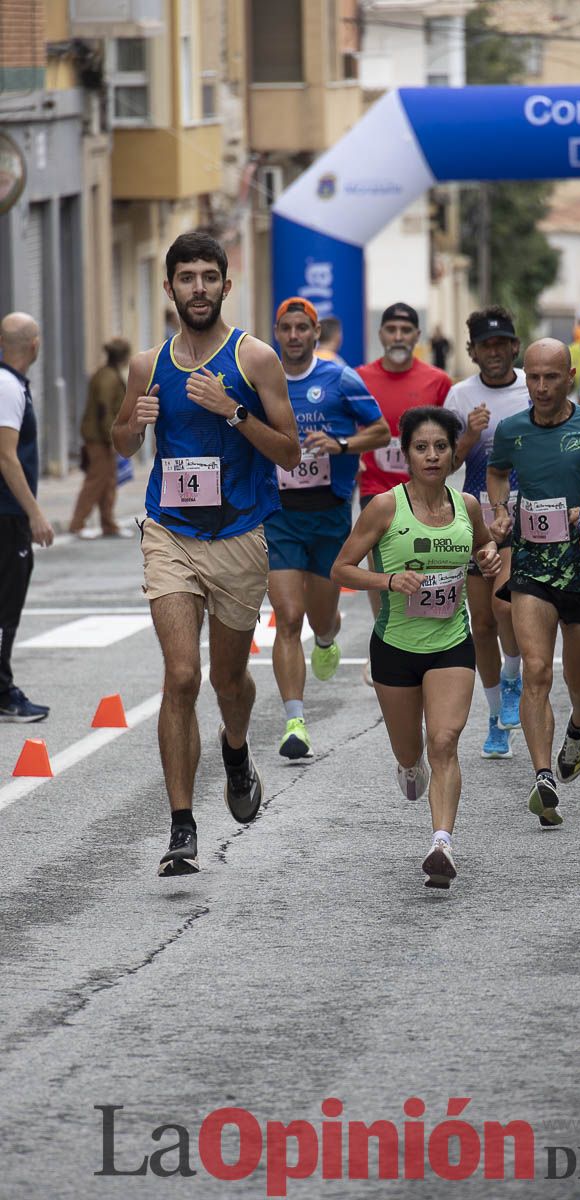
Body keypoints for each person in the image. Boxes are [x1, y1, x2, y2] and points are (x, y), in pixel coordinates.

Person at [112, 231, 301, 878]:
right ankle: (182, 824)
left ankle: (237, 748)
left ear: (225, 285)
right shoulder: (147, 364)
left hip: (240, 535)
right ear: (169, 287)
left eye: (209, 277)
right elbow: (120, 441)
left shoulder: (255, 359)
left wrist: (233, 411)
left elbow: (290, 452)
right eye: (187, 277)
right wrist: (134, 423)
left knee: (227, 680)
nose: (198, 288)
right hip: (170, 532)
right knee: (182, 675)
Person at [331, 406, 501, 890]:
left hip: (451, 643)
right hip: (396, 647)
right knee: (411, 752)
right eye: (421, 447)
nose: (432, 456)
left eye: (441, 447)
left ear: (453, 453)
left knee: (444, 741)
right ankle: (410, 766)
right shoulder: (385, 507)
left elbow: (484, 548)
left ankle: (441, 844)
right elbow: (341, 569)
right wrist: (388, 579)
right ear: (405, 454)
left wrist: (488, 556)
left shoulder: (466, 506)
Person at [486, 339, 580, 827]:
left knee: (577, 678)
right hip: (533, 565)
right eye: (534, 377)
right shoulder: (511, 430)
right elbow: (497, 472)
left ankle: (579, 723)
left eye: (551, 377)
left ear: (570, 377)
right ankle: (543, 778)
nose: (541, 387)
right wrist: (501, 510)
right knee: (537, 670)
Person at [268, 297, 389, 759]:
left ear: (316, 333)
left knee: (319, 618)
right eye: (286, 328)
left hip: (329, 514)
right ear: (277, 334)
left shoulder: (340, 379)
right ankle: (294, 722)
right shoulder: (263, 379)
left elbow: (380, 431)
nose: (294, 335)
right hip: (279, 515)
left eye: (303, 327)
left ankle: (326, 635)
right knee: (287, 616)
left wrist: (340, 444)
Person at [445, 306, 528, 758]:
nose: (493, 352)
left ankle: (513, 679)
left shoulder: (533, 388)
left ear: (514, 347)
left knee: (503, 605)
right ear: (472, 351)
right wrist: (468, 437)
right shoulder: (460, 397)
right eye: (485, 345)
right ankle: (496, 718)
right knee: (480, 624)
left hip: (524, 516)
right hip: (476, 520)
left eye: (501, 343)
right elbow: (443, 465)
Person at [357, 303, 451, 678]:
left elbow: (450, 434)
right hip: (377, 486)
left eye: (405, 330)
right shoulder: (359, 377)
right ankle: (384, 639)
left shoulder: (438, 380)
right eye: (391, 329)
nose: (398, 336)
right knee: (381, 564)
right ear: (381, 334)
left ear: (417, 336)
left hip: (425, 488)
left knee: (421, 563)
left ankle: (427, 640)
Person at [0, 312, 54, 722]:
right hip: (7, 515)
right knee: (7, 603)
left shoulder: (10, 384)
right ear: (34, 345)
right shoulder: (7, 386)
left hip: (7, 513)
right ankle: (3, 691)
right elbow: (6, 456)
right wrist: (34, 513)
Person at [69, 337, 133, 538]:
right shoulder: (108, 378)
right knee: (96, 480)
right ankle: (77, 524)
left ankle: (108, 523)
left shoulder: (107, 374)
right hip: (100, 438)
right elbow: (104, 410)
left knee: (108, 481)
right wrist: (111, 439)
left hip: (101, 436)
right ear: (123, 356)